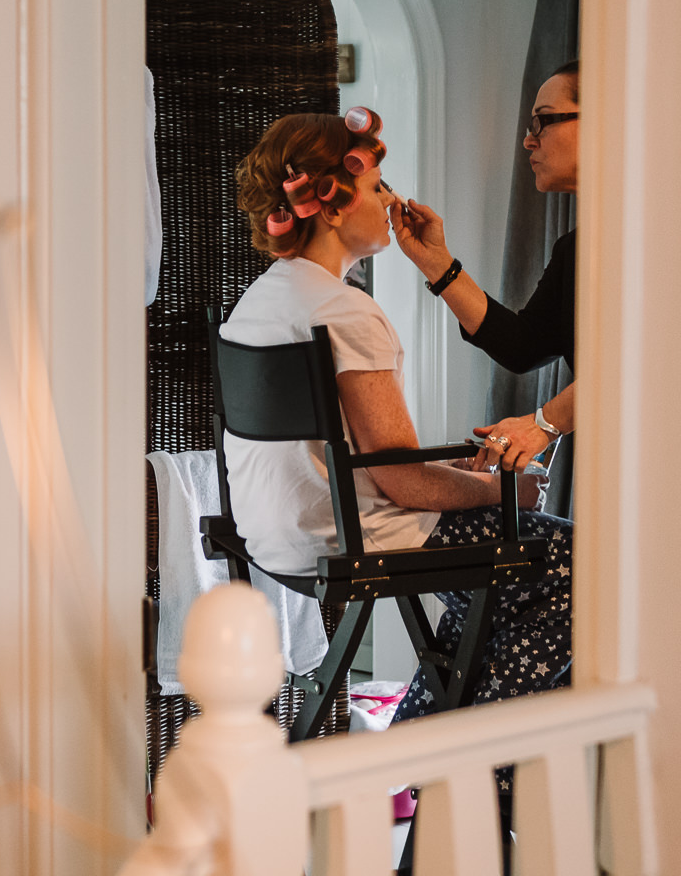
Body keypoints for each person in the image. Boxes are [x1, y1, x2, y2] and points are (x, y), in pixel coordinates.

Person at [220, 107, 573, 730]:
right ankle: (470, 768)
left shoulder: (264, 298)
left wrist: (454, 469)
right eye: (379, 184)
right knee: (576, 563)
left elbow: (368, 457)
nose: (392, 198)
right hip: (354, 537)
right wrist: (502, 487)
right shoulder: (348, 312)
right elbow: (400, 482)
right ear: (330, 205)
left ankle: (424, 742)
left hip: (277, 534)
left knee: (495, 594)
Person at [393, 59, 580, 473]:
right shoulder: (575, 250)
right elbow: (523, 345)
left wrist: (543, 424)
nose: (528, 142)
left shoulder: (652, 245)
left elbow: (633, 365)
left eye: (543, 122)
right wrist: (438, 265)